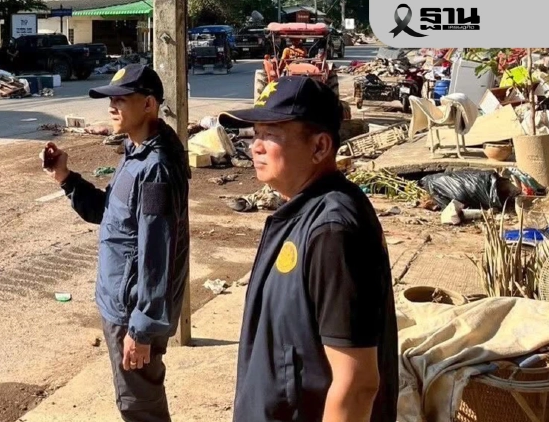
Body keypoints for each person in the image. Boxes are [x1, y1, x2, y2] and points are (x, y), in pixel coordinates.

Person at [217, 76, 398, 422]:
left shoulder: (332, 230)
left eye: (271, 135)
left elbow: (357, 382)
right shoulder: (300, 212)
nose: (255, 147)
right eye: (256, 134)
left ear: (319, 147)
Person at [40, 64, 191, 422]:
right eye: (111, 99)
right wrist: (65, 177)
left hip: (132, 313)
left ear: (149, 104)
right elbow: (109, 214)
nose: (112, 106)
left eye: (122, 99)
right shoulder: (136, 153)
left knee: (140, 408)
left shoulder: (155, 168)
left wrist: (141, 329)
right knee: (136, 403)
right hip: (122, 305)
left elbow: (158, 254)